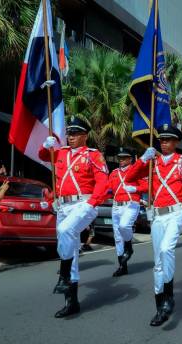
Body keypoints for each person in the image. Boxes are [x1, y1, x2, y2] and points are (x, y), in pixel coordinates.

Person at [124, 124, 182, 327]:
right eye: (161, 140)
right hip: (157, 216)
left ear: (175, 142)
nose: (163, 143)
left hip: (175, 214)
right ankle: (161, 305)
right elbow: (129, 177)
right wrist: (142, 159)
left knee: (167, 250)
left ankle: (168, 296)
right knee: (158, 263)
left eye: (168, 140)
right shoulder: (152, 163)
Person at [39, 117, 109, 319]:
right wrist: (46, 145)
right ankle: (72, 302)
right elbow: (43, 155)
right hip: (63, 206)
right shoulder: (60, 153)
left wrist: (93, 202)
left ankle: (63, 275)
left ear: (85, 136)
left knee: (65, 230)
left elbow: (102, 181)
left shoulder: (93, 155)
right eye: (69, 134)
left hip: (83, 203)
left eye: (75, 134)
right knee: (68, 250)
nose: (70, 137)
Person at [106, 147, 148, 277]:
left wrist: (135, 188)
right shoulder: (113, 173)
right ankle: (122, 266)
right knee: (118, 237)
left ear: (130, 159)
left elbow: (147, 186)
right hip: (116, 206)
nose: (121, 160)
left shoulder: (136, 171)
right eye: (120, 158)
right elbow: (108, 189)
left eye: (124, 157)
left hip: (131, 204)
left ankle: (129, 246)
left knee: (125, 226)